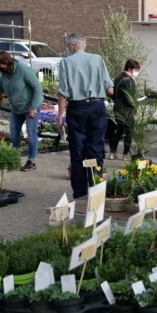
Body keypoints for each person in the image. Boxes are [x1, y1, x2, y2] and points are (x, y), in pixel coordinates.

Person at [57, 33, 113, 199]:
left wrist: (60, 115)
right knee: (96, 149)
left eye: (68, 47)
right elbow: (109, 89)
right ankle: (96, 192)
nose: (68, 50)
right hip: (97, 106)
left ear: (72, 46)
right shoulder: (98, 59)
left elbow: (63, 93)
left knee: (78, 151)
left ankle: (80, 194)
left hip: (77, 109)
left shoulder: (66, 62)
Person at [0, 51, 43, 171]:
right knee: (14, 133)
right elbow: (0, 87)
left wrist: (33, 106)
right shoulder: (4, 74)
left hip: (30, 107)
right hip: (16, 108)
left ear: (6, 62)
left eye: (0, 64)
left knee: (31, 133)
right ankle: (14, 158)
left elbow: (38, 87)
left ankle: (31, 161)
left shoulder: (23, 70)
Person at [109, 59, 140, 160]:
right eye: (136, 70)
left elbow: (113, 94)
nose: (136, 73)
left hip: (118, 108)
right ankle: (126, 154)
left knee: (118, 130)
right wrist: (135, 104)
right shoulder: (129, 81)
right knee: (129, 132)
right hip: (127, 110)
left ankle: (112, 152)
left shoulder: (118, 78)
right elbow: (129, 98)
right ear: (130, 69)